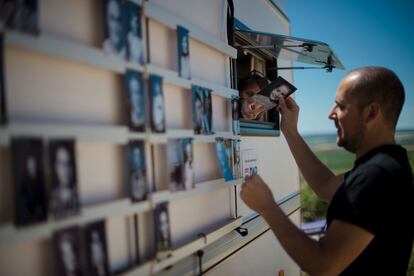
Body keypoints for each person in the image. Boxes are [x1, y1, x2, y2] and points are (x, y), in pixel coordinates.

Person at [240, 67, 414, 275]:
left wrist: (268, 207)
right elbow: (325, 187)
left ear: (371, 112)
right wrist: (290, 132)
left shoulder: (377, 175)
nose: (331, 114)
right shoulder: (389, 164)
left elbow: (324, 265)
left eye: (340, 106)